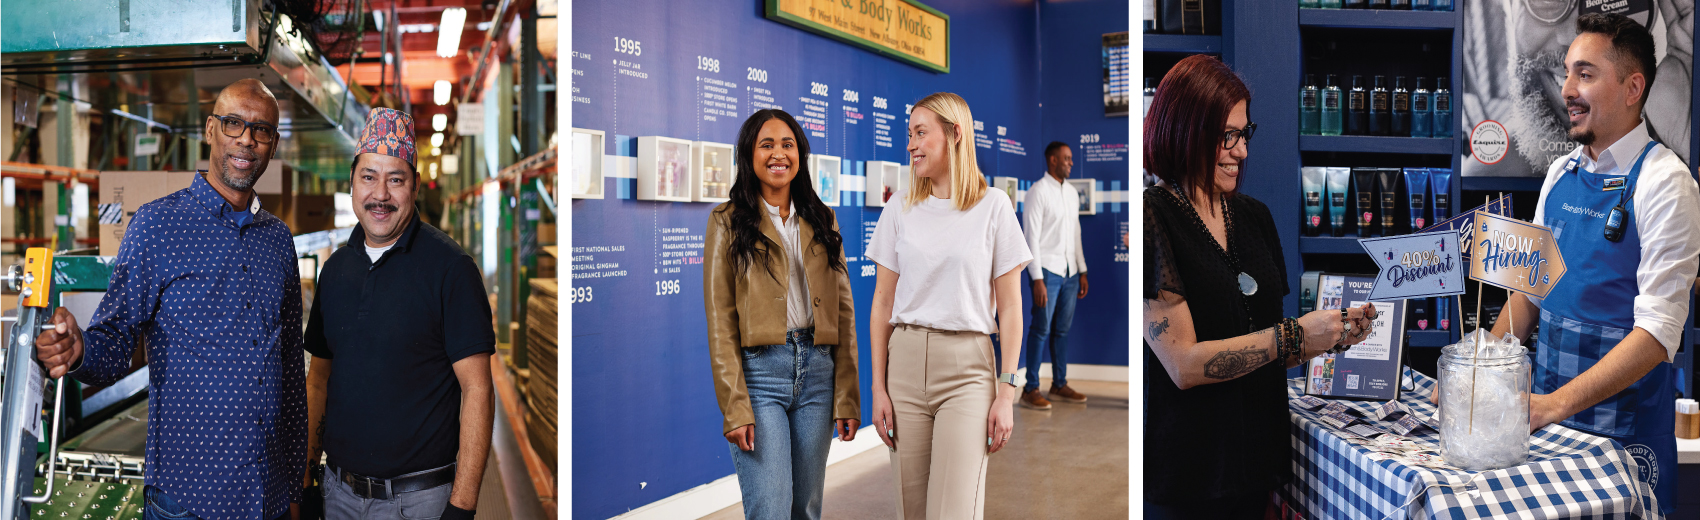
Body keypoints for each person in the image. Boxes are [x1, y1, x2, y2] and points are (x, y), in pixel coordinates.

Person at [34, 78, 306, 520]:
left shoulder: (277, 241)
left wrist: (295, 485)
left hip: (267, 496)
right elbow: (115, 340)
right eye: (233, 123)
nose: (246, 140)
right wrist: (80, 348)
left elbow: (290, 369)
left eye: (261, 130)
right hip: (188, 498)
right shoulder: (157, 226)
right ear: (210, 129)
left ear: (273, 145)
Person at [1474, 14, 1697, 514]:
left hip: (1622, 446)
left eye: (1586, 74)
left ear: (1633, 87)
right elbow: (1528, 293)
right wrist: (1478, 369)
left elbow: (1658, 335)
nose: (1567, 88)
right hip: (1551, 436)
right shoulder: (1560, 172)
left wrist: (1553, 405)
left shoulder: (1667, 183)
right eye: (1567, 72)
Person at [1142, 55, 1377, 520]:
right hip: (1190, 479)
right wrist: (1294, 335)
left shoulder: (1254, 216)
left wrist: (1329, 337)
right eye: (1225, 136)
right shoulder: (1154, 215)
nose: (1241, 151)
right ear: (1184, 129)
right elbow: (1184, 364)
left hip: (1259, 468)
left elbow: (1269, 350)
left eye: (1243, 134)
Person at [300, 107, 495, 520]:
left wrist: (461, 507)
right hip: (338, 494)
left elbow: (477, 390)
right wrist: (305, 479)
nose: (380, 195)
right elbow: (319, 379)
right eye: (369, 177)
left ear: (415, 186)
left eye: (395, 179)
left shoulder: (450, 270)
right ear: (352, 183)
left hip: (419, 501)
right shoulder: (335, 271)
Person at [866, 92, 1030, 520]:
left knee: (954, 511)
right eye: (909, 134)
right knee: (913, 511)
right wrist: (878, 387)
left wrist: (1007, 392)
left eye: (921, 133)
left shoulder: (994, 207)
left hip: (967, 372)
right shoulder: (899, 207)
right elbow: (883, 302)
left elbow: (1011, 309)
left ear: (955, 134)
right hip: (902, 367)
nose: (911, 145)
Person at [702, 108, 861, 520]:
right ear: (749, 155)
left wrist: (847, 396)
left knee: (806, 509)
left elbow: (844, 311)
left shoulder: (823, 219)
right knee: (769, 509)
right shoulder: (726, 221)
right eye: (766, 144)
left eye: (787, 144)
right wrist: (734, 405)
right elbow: (720, 320)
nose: (779, 154)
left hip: (819, 376)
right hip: (760, 377)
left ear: (800, 154)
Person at [1018, 141, 1090, 410]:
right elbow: (1031, 239)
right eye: (1067, 158)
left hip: (1070, 272)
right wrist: (1036, 278)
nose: (1071, 163)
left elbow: (1076, 234)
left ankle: (1059, 384)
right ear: (1052, 161)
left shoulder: (1071, 193)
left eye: (1071, 159)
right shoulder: (1037, 192)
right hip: (1047, 271)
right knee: (1041, 330)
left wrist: (1082, 270)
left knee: (1061, 331)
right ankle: (1030, 389)